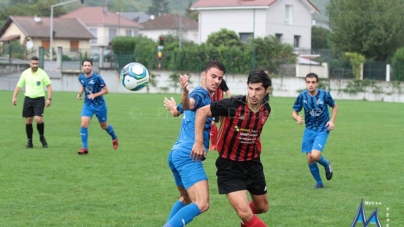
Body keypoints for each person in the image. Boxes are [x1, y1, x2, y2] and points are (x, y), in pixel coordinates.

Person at [192, 70, 272, 227]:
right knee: (244, 212)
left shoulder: (266, 109)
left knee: (262, 207)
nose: (253, 93)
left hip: (253, 164)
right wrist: (199, 142)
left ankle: (246, 222)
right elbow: (201, 112)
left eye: (258, 89)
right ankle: (247, 219)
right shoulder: (232, 105)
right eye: (250, 88)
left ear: (266, 90)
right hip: (230, 166)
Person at [163, 60, 226, 227]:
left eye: (220, 78)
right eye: (213, 76)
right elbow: (188, 103)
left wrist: (172, 107)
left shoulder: (202, 95)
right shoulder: (201, 94)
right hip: (188, 154)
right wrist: (185, 92)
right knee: (202, 202)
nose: (216, 81)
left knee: (186, 198)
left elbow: (177, 111)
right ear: (203, 75)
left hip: (176, 153)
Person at [291, 72, 338, 188]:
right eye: (308, 82)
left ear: (317, 83)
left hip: (322, 128)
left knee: (315, 155)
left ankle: (327, 164)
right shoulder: (302, 96)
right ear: (305, 83)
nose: (310, 85)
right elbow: (294, 112)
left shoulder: (325, 95)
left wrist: (331, 121)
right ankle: (319, 183)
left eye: (313, 82)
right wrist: (297, 118)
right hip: (309, 129)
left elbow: (334, 106)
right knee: (310, 159)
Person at [77, 59, 118, 155]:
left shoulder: (97, 77)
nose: (87, 67)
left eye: (89, 65)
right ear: (82, 67)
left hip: (100, 105)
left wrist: (95, 95)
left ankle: (114, 137)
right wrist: (79, 93)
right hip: (88, 104)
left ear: (91, 67)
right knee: (83, 124)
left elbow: (106, 90)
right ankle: (84, 148)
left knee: (104, 126)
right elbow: (83, 85)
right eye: (85, 65)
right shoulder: (81, 77)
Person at [12, 56, 52, 148]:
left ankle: (42, 138)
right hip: (28, 99)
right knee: (28, 120)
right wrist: (14, 97)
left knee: (38, 119)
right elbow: (19, 85)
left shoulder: (42, 73)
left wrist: (49, 99)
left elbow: (49, 86)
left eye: (37, 64)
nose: (35, 65)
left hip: (39, 99)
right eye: (33, 64)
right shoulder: (25, 73)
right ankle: (29, 142)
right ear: (30, 64)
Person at [209, 78, 231, 151]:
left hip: (217, 105)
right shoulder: (208, 79)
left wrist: (231, 104)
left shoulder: (221, 81)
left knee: (212, 123)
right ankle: (217, 143)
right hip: (208, 105)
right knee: (208, 124)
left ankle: (215, 144)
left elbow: (227, 92)